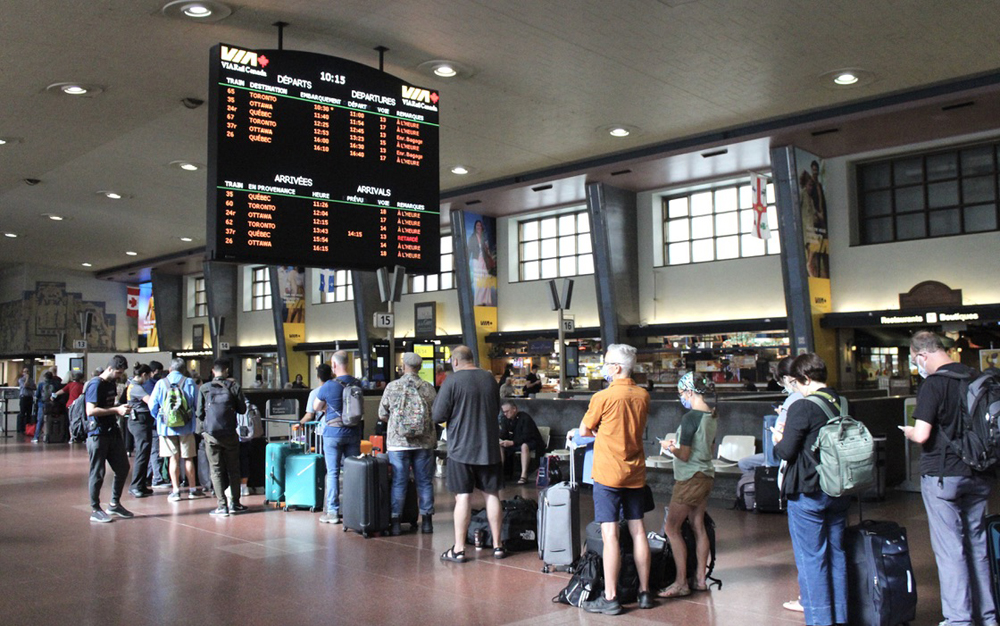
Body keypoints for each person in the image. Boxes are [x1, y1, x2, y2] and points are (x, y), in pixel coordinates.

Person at [902, 331, 998, 626]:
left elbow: (922, 434)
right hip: (980, 472)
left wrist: (907, 431)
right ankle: (987, 616)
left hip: (944, 476)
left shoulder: (933, 384)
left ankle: (959, 620)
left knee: (950, 550)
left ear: (922, 355)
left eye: (915, 360)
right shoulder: (975, 377)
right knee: (977, 546)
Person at [772, 352, 851, 626]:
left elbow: (786, 451)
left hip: (808, 489)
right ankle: (840, 617)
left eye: (797, 382)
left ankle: (820, 620)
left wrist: (777, 437)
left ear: (805, 378)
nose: (795, 388)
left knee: (811, 558)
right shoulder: (840, 401)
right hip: (838, 487)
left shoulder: (802, 407)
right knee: (837, 554)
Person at [579, 343, 654, 614]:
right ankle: (645, 592)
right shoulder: (643, 395)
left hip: (608, 473)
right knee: (638, 530)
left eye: (608, 363)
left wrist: (600, 433)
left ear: (617, 368)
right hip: (635, 473)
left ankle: (610, 598)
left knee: (610, 535)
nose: (605, 367)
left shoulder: (602, 397)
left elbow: (584, 429)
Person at [433, 345, 505, 563]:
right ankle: (498, 546)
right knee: (491, 494)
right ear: (472, 359)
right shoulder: (489, 379)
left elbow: (438, 415)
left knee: (463, 496)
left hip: (461, 449)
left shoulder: (452, 381)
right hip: (489, 447)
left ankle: (459, 549)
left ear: (455, 362)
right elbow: (496, 409)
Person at [659, 372, 717, 599]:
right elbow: (709, 449)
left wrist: (668, 446)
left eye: (682, 392)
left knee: (671, 528)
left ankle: (681, 582)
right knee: (697, 525)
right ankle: (700, 580)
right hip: (706, 475)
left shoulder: (690, 418)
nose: (682, 396)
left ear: (690, 391)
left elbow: (683, 454)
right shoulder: (712, 414)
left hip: (689, 477)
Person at [378, 352, 437, 536]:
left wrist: (397, 423)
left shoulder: (392, 387)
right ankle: (427, 522)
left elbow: (382, 413)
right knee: (425, 482)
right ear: (419, 367)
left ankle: (396, 522)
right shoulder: (428, 388)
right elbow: (435, 414)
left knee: (399, 482)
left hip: (398, 443)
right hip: (424, 442)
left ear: (403, 366)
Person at [314, 351, 362, 524]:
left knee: (333, 472)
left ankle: (333, 512)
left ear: (333, 365)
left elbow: (316, 406)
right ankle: (354, 510)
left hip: (333, 434)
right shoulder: (357, 383)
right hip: (354, 433)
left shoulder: (329, 385)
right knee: (353, 472)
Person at [196, 359, 249, 517]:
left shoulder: (205, 388)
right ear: (226, 370)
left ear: (213, 370)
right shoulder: (234, 386)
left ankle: (222, 506)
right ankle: (236, 504)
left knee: (216, 470)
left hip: (211, 436)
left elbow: (199, 413)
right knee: (234, 469)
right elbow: (242, 409)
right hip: (230, 434)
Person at [85, 355, 134, 523]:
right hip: (98, 434)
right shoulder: (95, 384)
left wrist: (119, 408)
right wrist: (116, 410)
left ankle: (114, 503)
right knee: (97, 472)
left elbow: (108, 405)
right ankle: (95, 508)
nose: (120, 376)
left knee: (123, 467)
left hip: (111, 432)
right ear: (110, 369)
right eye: (118, 372)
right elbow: (90, 411)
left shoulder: (111, 383)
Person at [149, 357, 205, 502]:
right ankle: (192, 489)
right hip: (186, 428)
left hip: (166, 428)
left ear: (170, 369)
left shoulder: (161, 383)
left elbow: (152, 405)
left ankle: (175, 491)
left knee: (173, 458)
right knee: (188, 458)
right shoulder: (190, 382)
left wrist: (160, 418)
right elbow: (197, 404)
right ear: (183, 370)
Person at [738, 356, 803, 473]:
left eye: (781, 383)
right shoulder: (816, 397)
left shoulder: (793, 399)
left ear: (787, 378)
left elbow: (779, 440)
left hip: (789, 457)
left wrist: (782, 415)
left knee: (746, 464)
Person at [123, 365, 155, 499]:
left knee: (144, 453)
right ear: (143, 375)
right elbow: (150, 401)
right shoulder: (136, 388)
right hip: (140, 423)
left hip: (138, 422)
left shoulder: (131, 384)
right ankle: (135, 485)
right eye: (147, 376)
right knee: (142, 454)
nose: (147, 379)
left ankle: (140, 484)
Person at [499, 400, 545, 484]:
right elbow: (503, 433)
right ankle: (499, 473)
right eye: (504, 412)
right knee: (500, 447)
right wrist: (500, 440)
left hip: (531, 441)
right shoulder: (505, 419)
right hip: (514, 442)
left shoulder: (525, 418)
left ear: (514, 409)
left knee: (524, 446)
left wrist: (512, 442)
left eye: (507, 411)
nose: (505, 414)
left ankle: (524, 475)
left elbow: (527, 436)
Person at [145, 361, 168, 489]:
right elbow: (153, 403)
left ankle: (148, 476)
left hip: (152, 422)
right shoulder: (154, 385)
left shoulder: (151, 384)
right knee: (155, 451)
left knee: (153, 450)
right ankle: (157, 478)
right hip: (155, 423)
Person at [32, 371, 56, 443]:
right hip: (51, 405)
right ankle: (49, 436)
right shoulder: (54, 384)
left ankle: (36, 437)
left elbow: (37, 395)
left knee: (40, 421)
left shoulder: (41, 384)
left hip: (42, 404)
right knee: (49, 421)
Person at [17, 367, 35, 435]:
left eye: (27, 371)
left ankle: (27, 428)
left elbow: (34, 387)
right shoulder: (21, 380)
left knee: (29, 413)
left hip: (30, 397)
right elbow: (25, 385)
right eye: (25, 372)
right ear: (23, 373)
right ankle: (21, 429)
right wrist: (27, 378)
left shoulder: (31, 380)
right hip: (23, 397)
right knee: (22, 413)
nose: (26, 373)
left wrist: (29, 386)